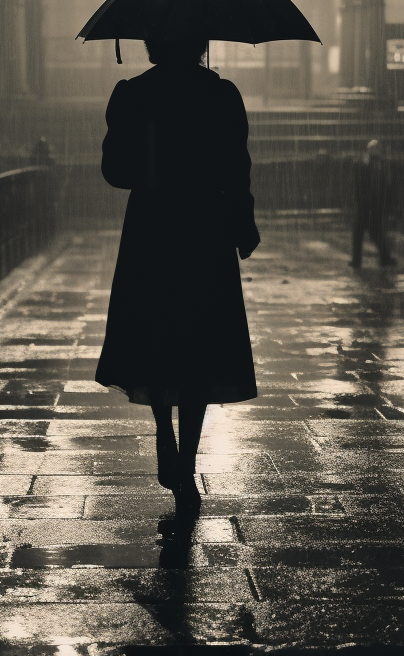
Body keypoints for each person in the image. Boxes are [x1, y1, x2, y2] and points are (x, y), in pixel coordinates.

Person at [96, 35, 260, 517]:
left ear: (150, 42)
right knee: (199, 345)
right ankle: (186, 460)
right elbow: (238, 169)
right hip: (204, 229)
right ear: (202, 42)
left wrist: (153, 158)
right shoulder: (222, 95)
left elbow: (115, 171)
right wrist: (242, 222)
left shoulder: (132, 94)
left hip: (152, 227)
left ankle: (164, 438)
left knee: (156, 335)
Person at [350, 138, 395, 268]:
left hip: (371, 203)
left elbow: (383, 184)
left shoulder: (375, 163)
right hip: (368, 202)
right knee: (369, 232)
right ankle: (381, 257)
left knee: (367, 232)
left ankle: (361, 260)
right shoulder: (370, 163)